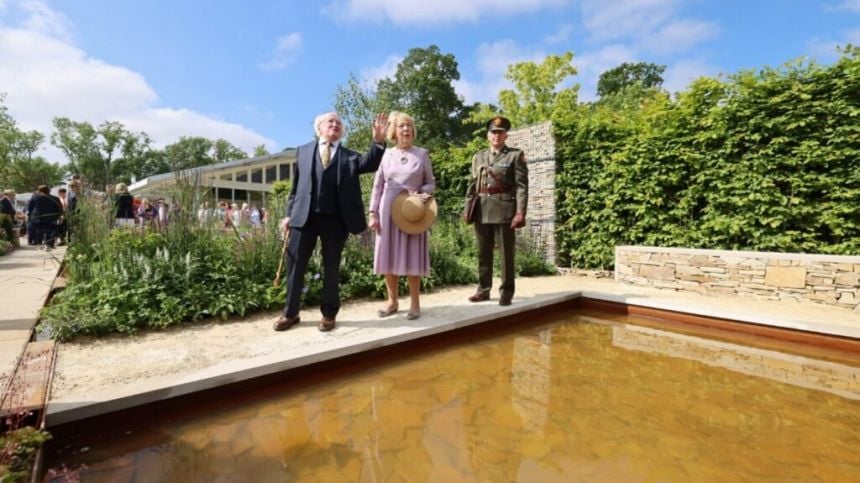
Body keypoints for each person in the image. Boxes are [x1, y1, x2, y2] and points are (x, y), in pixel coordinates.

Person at [273, 111, 388, 333]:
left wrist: (378, 141)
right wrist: (288, 214)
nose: (335, 124)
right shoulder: (303, 151)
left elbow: (370, 163)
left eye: (338, 123)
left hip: (335, 221)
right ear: (319, 128)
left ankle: (328, 314)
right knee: (295, 267)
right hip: (303, 218)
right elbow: (295, 188)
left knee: (331, 268)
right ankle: (290, 313)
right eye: (330, 121)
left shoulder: (350, 157)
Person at [368, 111, 436, 320]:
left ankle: (415, 304)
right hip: (387, 210)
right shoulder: (386, 154)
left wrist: (421, 194)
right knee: (388, 255)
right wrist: (372, 213)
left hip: (412, 212)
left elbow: (431, 183)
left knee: (412, 256)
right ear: (394, 131)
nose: (406, 129)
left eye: (409, 126)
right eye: (401, 126)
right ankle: (392, 302)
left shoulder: (422, 154)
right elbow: (378, 185)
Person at [464, 116, 529, 306]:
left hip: (504, 211)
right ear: (488, 135)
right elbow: (471, 185)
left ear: (506, 135)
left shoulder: (515, 156)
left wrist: (520, 212)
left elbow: (522, 187)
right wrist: (468, 209)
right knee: (483, 253)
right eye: (493, 132)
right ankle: (483, 290)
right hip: (482, 211)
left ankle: (506, 292)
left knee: (506, 254)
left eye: (500, 133)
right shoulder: (479, 157)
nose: (497, 136)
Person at [28, 185, 63, 249]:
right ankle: (49, 244)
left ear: (39, 191)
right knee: (50, 231)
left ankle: (39, 244)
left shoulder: (35, 197)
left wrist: (30, 216)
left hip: (38, 218)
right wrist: (58, 216)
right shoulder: (55, 198)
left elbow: (30, 208)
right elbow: (60, 208)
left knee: (39, 231)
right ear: (48, 191)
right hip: (51, 218)